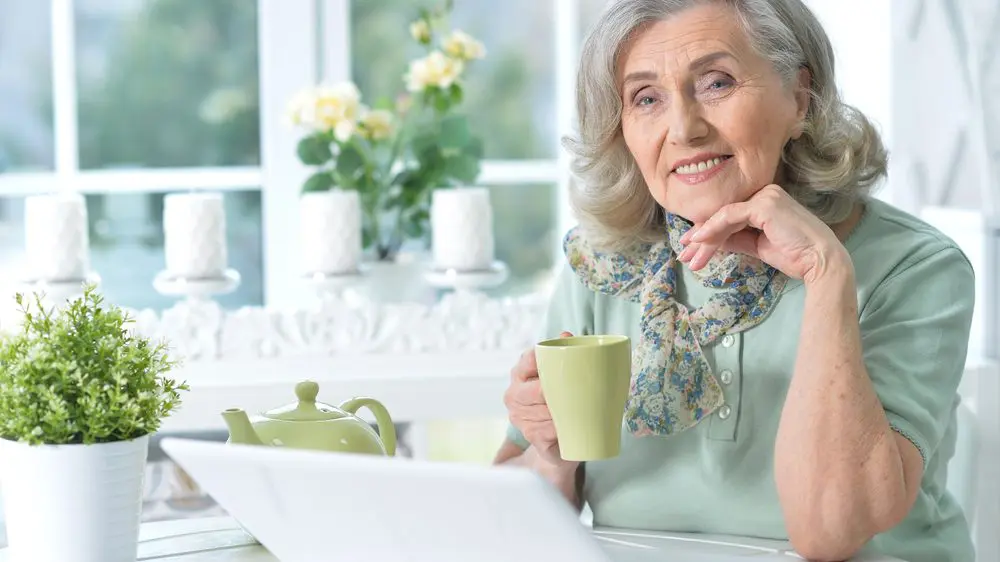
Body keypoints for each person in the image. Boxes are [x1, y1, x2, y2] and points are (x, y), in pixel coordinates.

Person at [493, 1, 976, 561]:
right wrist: (551, 454)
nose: (684, 129)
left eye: (717, 83)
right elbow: (507, 521)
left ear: (801, 98)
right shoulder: (604, 265)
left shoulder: (914, 267)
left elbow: (831, 532)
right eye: (646, 98)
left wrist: (826, 273)